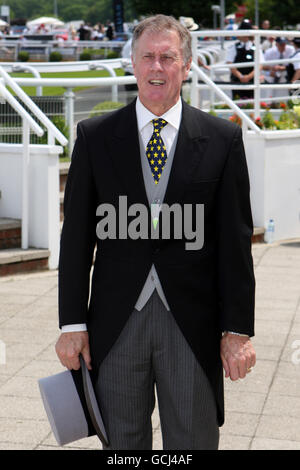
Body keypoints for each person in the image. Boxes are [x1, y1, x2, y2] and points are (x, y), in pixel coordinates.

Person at [56, 14, 256, 451]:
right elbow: (75, 241)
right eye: (147, 56)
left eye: (168, 57)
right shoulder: (95, 136)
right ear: (133, 63)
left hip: (192, 323)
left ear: (187, 66)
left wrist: (237, 330)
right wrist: (72, 322)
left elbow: (235, 243)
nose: (156, 67)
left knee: (193, 442)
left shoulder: (223, 140)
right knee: (123, 446)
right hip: (115, 322)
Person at [226, 18, 264, 99]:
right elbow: (230, 63)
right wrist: (241, 77)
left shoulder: (256, 48)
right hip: (237, 81)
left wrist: (249, 76)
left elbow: (260, 65)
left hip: (252, 81)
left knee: (252, 103)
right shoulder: (233, 47)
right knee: (237, 102)